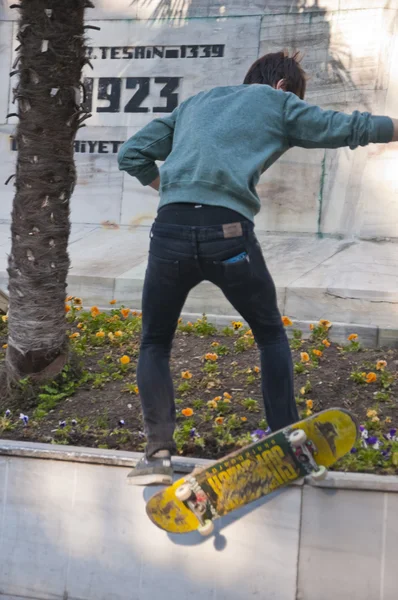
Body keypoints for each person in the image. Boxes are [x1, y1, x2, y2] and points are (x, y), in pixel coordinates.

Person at [118, 50, 397, 485]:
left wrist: (172, 189)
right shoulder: (277, 101)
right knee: (269, 335)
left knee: (154, 342)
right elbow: (347, 128)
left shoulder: (197, 102)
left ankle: (156, 454)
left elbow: (132, 154)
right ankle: (288, 441)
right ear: (284, 86)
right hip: (227, 236)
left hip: (169, 233)